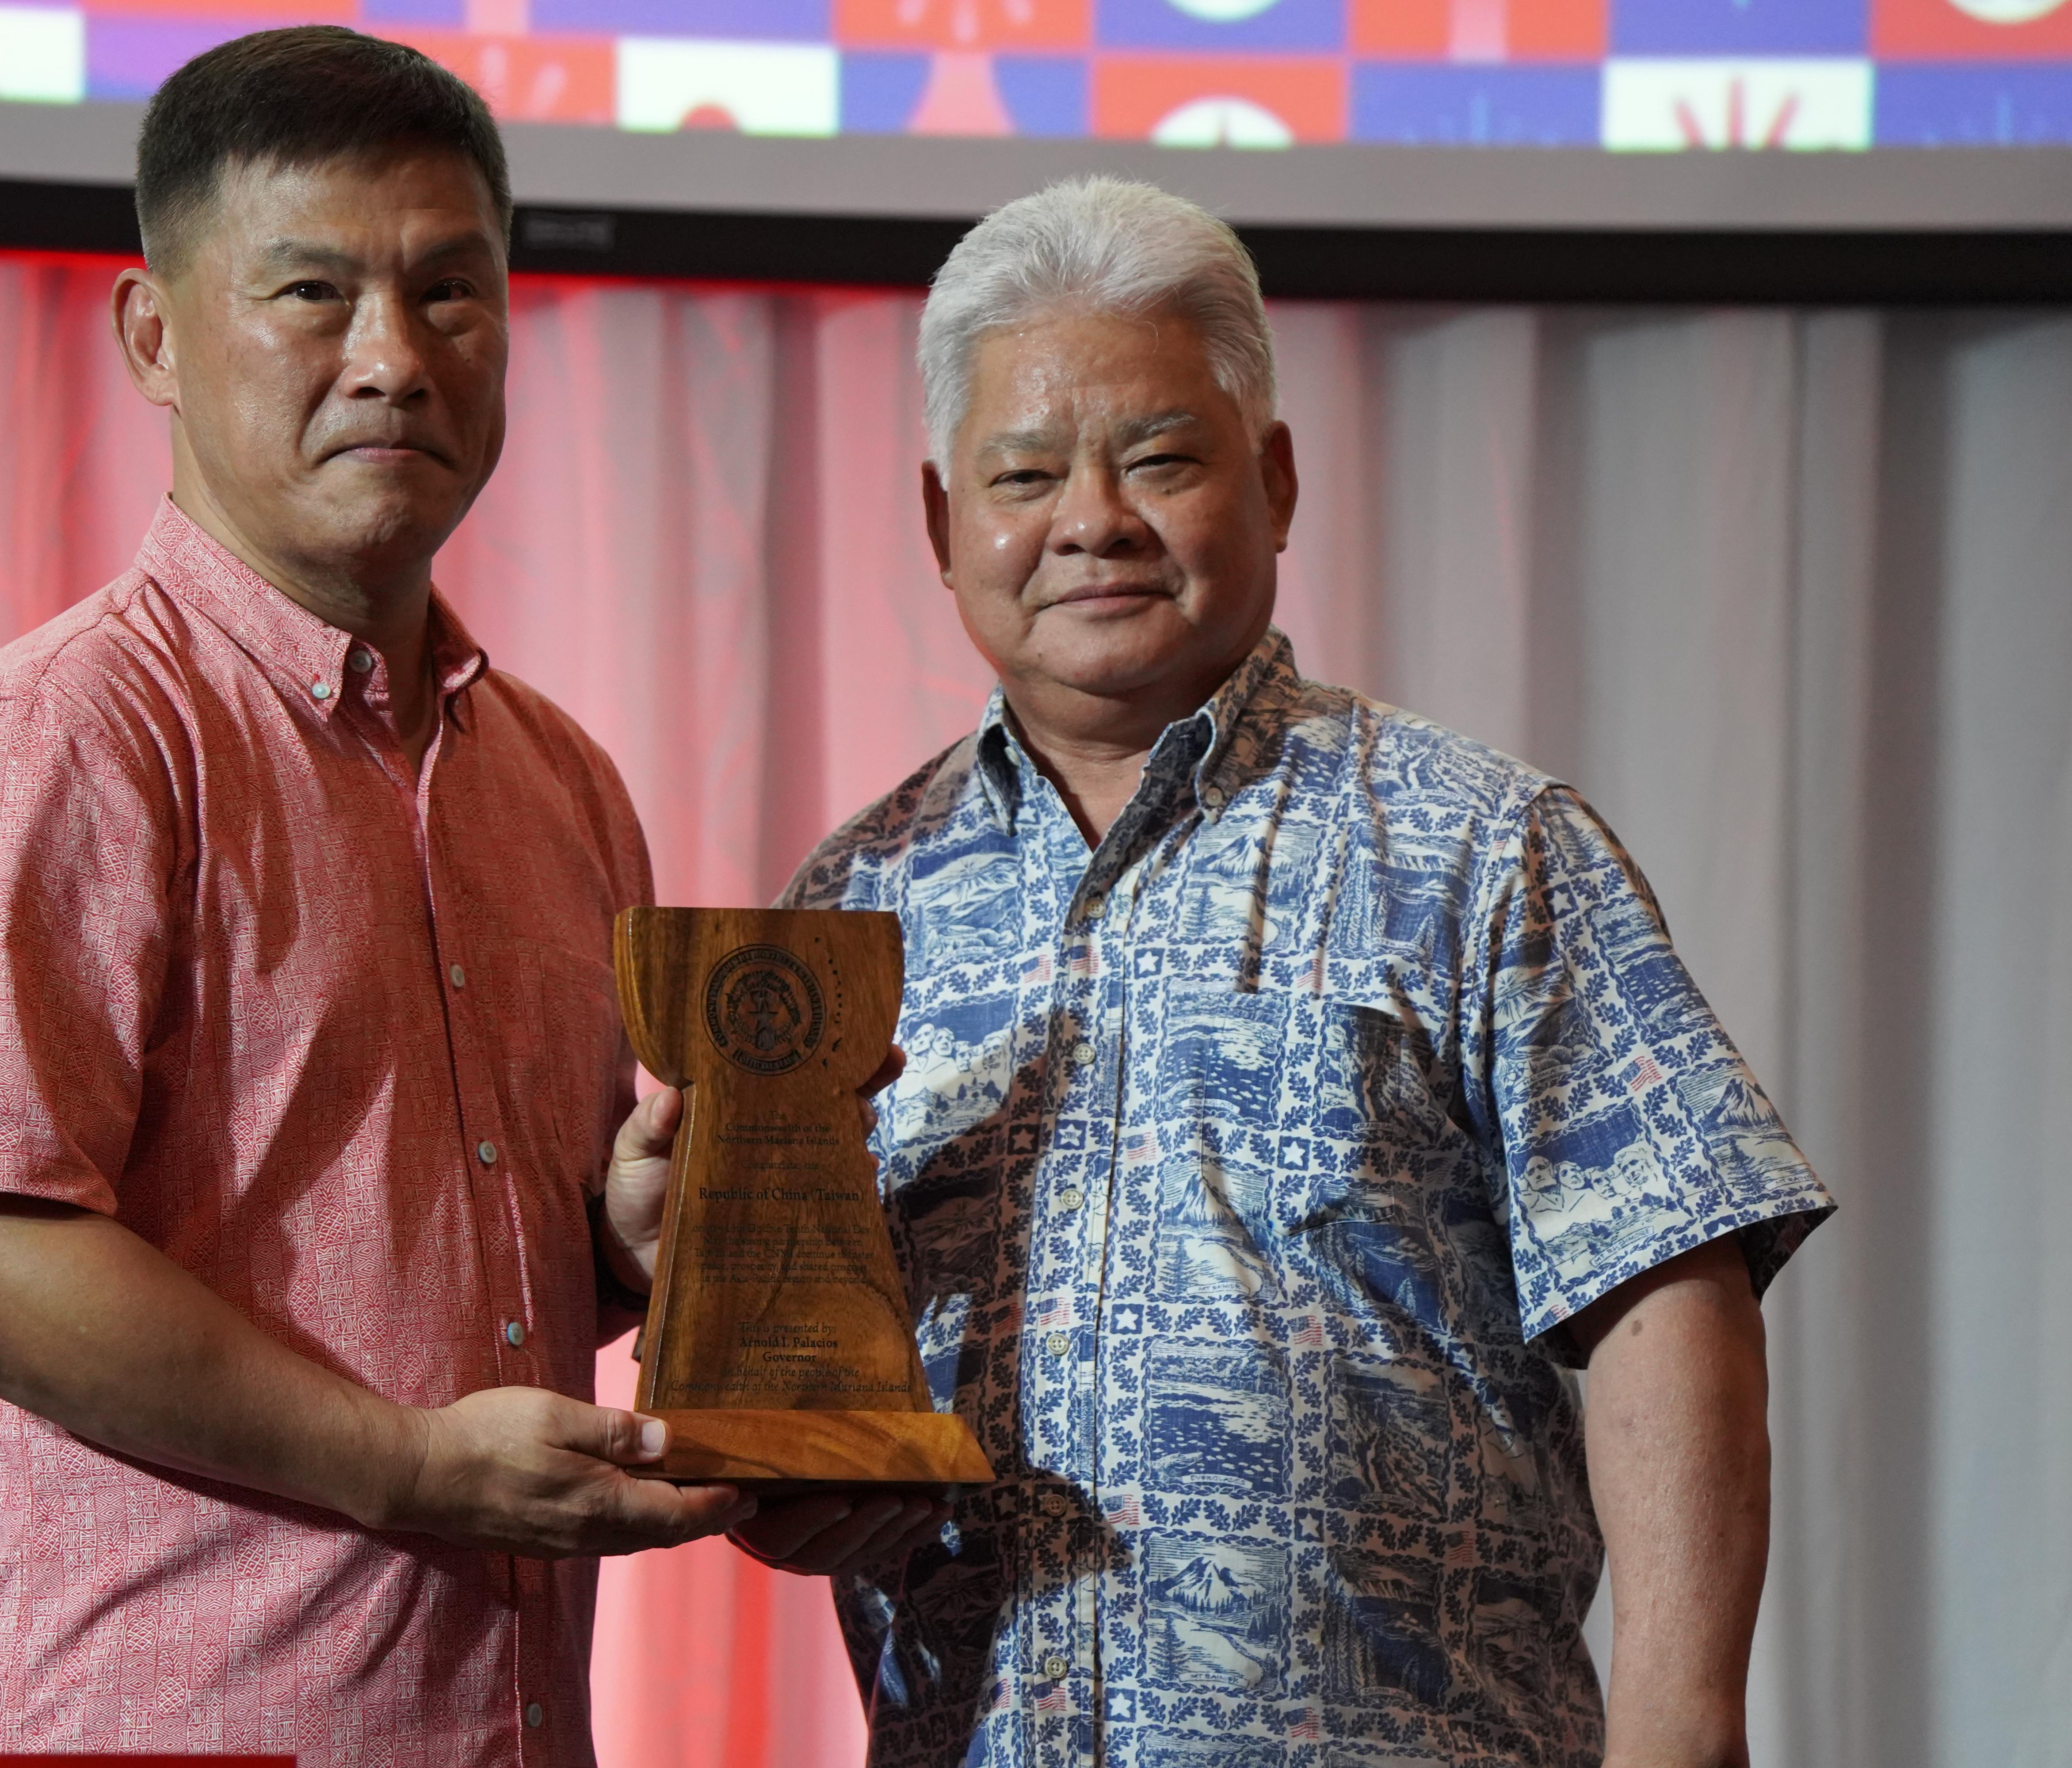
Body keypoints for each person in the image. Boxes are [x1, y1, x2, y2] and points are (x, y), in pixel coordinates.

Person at [736, 177, 1835, 1768]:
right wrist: (782, 1485)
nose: (1092, 521)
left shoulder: (1483, 848)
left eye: (1162, 460)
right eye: (1024, 474)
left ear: (1276, 479)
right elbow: (802, 1374)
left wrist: (1680, 1728)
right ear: (940, 524)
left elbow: (1667, 1288)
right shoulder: (851, 906)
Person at [0, 28, 746, 1763]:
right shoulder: (73, 732)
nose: (394, 361)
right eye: (314, 293)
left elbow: (451, 1268)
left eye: (451, 294)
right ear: (155, 337)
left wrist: (623, 1246)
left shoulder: (556, 782)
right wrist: (406, 1464)